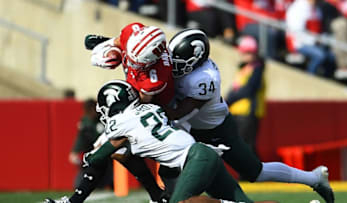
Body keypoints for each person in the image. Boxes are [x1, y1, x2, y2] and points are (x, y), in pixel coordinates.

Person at [165, 28, 334, 203]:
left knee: (255, 171)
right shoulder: (190, 70)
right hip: (195, 129)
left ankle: (313, 179)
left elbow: (180, 113)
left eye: (178, 62)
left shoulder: (204, 78)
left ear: (196, 59)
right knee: (173, 169)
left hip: (217, 132)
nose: (173, 66)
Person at [69, 80, 276, 203]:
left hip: (194, 159)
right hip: (200, 154)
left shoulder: (121, 123)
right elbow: (126, 152)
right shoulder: (149, 109)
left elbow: (100, 156)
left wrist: (88, 156)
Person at [47, 23, 174, 203]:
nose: (132, 62)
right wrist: (110, 52)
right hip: (136, 102)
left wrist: (115, 132)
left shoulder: (156, 78)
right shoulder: (131, 32)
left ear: (153, 59)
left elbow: (140, 110)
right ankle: (157, 195)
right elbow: (115, 43)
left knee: (112, 148)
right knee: (119, 151)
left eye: (138, 61)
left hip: (157, 110)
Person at [226, 36, 266, 155]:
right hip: (238, 111)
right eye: (244, 53)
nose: (245, 56)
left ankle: (253, 172)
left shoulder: (257, 69)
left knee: (247, 146)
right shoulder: (245, 68)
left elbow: (249, 89)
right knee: (242, 146)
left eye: (248, 53)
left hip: (248, 112)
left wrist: (229, 100)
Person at [68, 99, 112, 189]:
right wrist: (74, 151)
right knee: (81, 180)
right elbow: (81, 138)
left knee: (107, 174)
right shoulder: (86, 121)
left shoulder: (105, 118)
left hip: (107, 151)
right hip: (90, 152)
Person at [286, 0, 336, 78]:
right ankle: (310, 77)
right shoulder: (297, 8)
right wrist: (314, 40)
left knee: (331, 57)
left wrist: (322, 38)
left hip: (315, 42)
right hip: (299, 43)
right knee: (320, 55)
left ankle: (326, 79)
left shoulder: (317, 9)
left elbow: (319, 29)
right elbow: (297, 32)